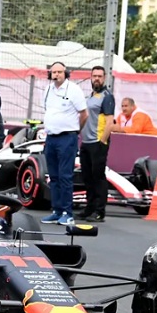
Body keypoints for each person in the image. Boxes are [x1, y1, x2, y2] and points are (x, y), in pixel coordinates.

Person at [40, 61, 86, 225]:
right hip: (51, 137)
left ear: (66, 73)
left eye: (60, 72)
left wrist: (75, 130)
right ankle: (57, 210)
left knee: (65, 175)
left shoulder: (74, 90)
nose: (57, 75)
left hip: (67, 138)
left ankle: (68, 212)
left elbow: (84, 114)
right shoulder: (47, 90)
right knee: (53, 176)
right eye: (54, 72)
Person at [79, 66, 115, 222]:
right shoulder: (90, 97)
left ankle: (100, 211)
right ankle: (90, 208)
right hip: (86, 142)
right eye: (94, 76)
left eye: (100, 76)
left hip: (98, 142)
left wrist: (102, 142)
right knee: (87, 177)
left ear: (104, 78)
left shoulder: (107, 97)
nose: (97, 79)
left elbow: (110, 122)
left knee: (98, 177)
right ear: (90, 77)